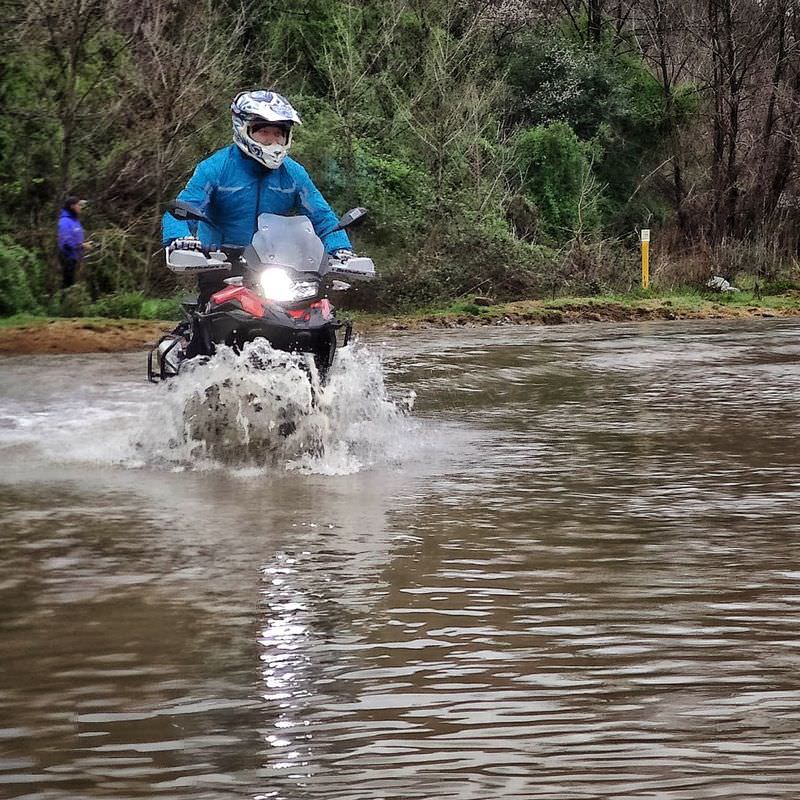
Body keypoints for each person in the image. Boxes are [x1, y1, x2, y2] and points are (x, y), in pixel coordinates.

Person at [162, 90, 354, 303]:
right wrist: (179, 238)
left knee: (317, 313)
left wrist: (341, 249)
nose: (273, 141)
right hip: (222, 260)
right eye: (264, 132)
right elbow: (183, 207)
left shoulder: (294, 173)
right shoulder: (215, 168)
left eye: (279, 134)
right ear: (244, 129)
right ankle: (199, 337)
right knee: (214, 318)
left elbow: (322, 216)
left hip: (277, 262)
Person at [57, 196, 90, 290]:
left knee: (72, 284)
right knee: (67, 286)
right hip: (67, 257)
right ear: (72, 206)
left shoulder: (74, 220)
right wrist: (82, 245)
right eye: (78, 205)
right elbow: (66, 241)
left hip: (74, 257)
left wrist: (84, 244)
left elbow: (75, 237)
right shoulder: (64, 221)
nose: (80, 207)